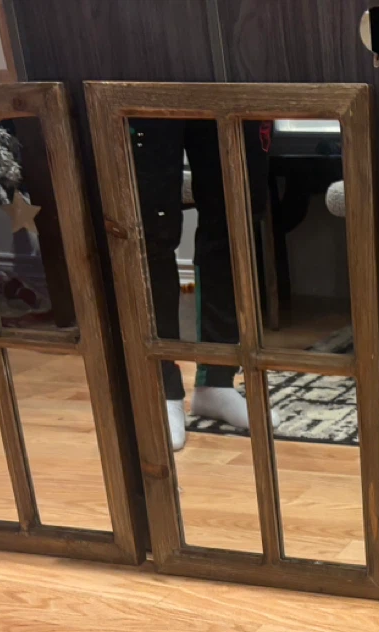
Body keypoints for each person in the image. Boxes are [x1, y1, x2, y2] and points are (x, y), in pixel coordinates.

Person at [130, 119, 276, 451]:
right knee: (148, 224)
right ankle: (161, 387)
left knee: (236, 220)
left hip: (234, 88)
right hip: (146, 89)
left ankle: (217, 380)